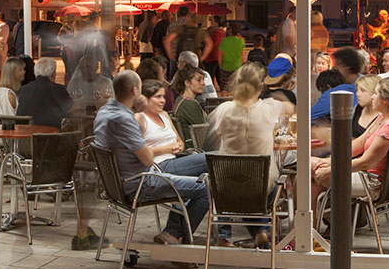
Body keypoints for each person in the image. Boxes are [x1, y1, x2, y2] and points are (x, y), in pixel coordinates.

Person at [94, 71, 210, 247]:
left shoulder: (104, 112)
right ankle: (180, 241)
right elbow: (148, 160)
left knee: (198, 176)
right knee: (205, 189)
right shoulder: (126, 120)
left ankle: (172, 233)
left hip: (118, 184)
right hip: (141, 183)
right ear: (135, 91)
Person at [204, 62, 296, 249]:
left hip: (225, 186)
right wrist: (277, 93)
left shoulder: (224, 110)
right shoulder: (270, 107)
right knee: (266, 181)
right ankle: (262, 230)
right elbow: (291, 108)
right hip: (261, 187)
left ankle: (223, 234)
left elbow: (210, 141)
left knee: (234, 178)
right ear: (260, 87)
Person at [310, 75, 389, 219]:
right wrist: (330, 161)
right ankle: (310, 230)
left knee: (308, 175)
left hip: (371, 183)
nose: (373, 96)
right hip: (365, 176)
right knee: (308, 164)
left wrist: (332, 168)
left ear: (385, 101)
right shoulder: (382, 117)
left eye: (375, 93)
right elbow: (359, 144)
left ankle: (308, 231)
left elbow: (365, 162)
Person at [15, 56, 72, 131]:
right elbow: (70, 110)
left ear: (35, 73)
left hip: (24, 135)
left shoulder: (23, 89)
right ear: (53, 73)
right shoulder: (58, 89)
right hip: (49, 136)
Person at [67, 50, 114, 114]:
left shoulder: (106, 83)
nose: (86, 70)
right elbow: (68, 104)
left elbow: (111, 105)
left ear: (96, 67)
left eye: (89, 66)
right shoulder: (74, 83)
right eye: (83, 67)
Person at [171, 64, 209, 144]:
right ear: (187, 83)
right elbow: (203, 131)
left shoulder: (180, 99)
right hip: (194, 148)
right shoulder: (189, 104)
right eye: (199, 80)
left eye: (203, 80)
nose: (203, 83)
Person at [0, 57, 25, 125]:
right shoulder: (9, 95)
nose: (24, 72)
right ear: (13, 73)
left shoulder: (0, 91)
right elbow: (10, 122)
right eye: (20, 70)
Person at [218, 22, 246, 88]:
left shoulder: (224, 41)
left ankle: (224, 97)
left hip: (226, 66)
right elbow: (243, 55)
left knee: (225, 87)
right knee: (236, 86)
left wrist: (220, 65)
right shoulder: (241, 41)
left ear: (230, 30)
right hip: (237, 66)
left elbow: (220, 54)